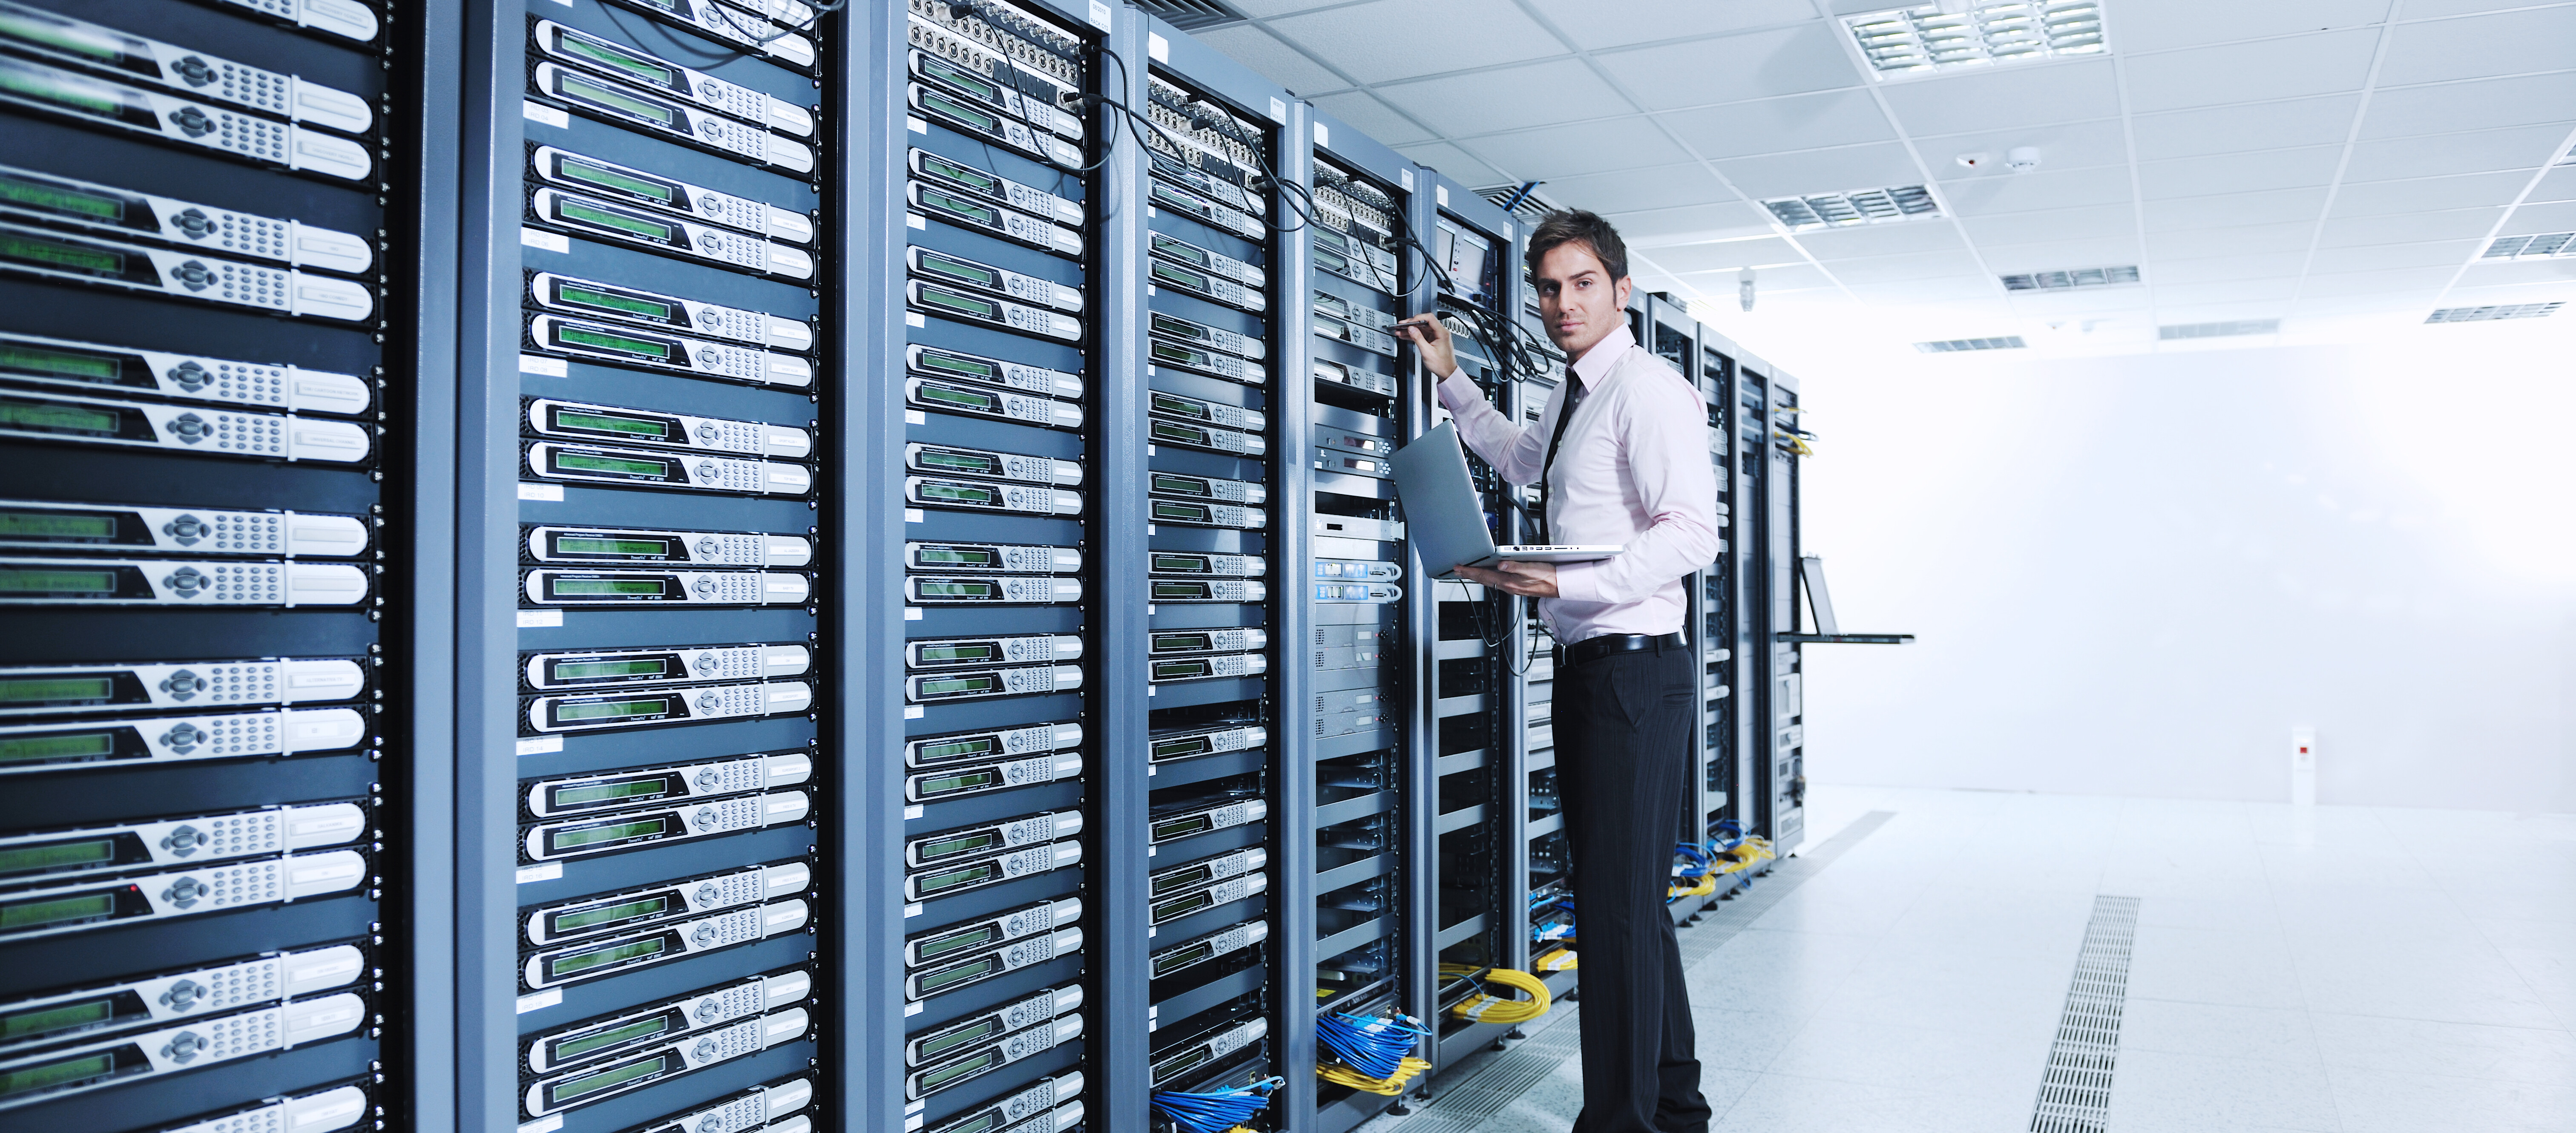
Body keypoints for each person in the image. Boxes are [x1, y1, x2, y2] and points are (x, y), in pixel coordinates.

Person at [1393, 210, 1721, 1133]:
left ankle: (1622, 1123)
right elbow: (1522, 460)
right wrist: (1452, 381)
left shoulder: (1648, 391)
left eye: (1583, 283)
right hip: (1598, 670)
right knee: (1632, 905)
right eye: (1548, 287)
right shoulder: (1573, 395)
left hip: (1633, 673)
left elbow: (1693, 532)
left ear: (1621, 290)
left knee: (1615, 915)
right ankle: (1674, 1105)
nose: (1563, 302)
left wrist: (1573, 581)